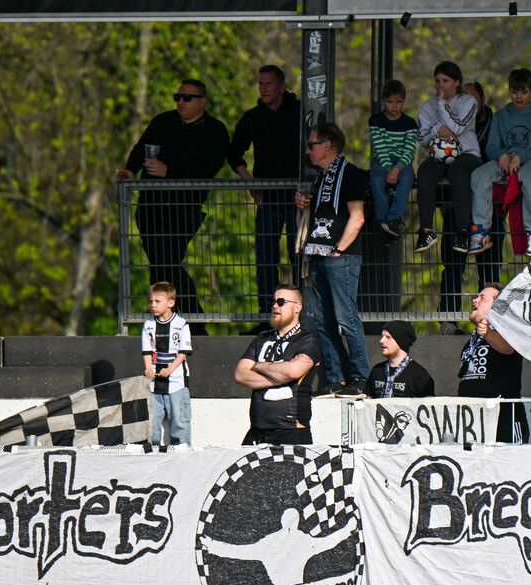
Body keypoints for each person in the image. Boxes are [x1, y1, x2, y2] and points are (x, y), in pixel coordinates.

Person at [118, 79, 229, 330]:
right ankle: (172, 320)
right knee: (159, 264)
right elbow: (140, 149)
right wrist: (130, 169)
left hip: (184, 208)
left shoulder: (215, 130)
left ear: (202, 101)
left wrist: (169, 171)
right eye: (177, 96)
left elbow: (209, 167)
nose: (180, 102)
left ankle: (189, 321)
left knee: (166, 261)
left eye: (187, 98)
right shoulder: (163, 122)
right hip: (151, 205)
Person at [295, 122, 370, 397]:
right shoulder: (320, 177)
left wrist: (339, 249)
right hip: (318, 255)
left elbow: (357, 217)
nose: (309, 151)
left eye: (313, 144)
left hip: (341, 257)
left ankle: (361, 377)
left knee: (346, 318)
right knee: (323, 321)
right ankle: (336, 378)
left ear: (328, 145)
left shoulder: (350, 174)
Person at [228, 65, 303, 322]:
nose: (263, 88)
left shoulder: (299, 111)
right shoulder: (253, 117)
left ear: (281, 87)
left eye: (268, 84)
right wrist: (250, 181)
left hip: (297, 200)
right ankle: (267, 317)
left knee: (299, 260)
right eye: (260, 84)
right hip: (268, 199)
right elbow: (233, 152)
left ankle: (299, 317)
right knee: (265, 261)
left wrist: (308, 186)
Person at [469, 67, 531, 260]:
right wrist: (502, 155)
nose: (519, 96)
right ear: (509, 91)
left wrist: (520, 156)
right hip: (504, 161)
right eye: (515, 91)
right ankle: (480, 230)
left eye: (524, 92)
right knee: (479, 175)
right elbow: (491, 147)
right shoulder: (500, 116)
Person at [437, 81, 499, 331]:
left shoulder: (494, 125)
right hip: (457, 209)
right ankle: (448, 319)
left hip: (491, 210)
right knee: (452, 265)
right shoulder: (451, 123)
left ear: (482, 101)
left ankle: (491, 318)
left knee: (490, 266)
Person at [234, 283, 321, 445]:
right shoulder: (261, 339)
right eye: (273, 302)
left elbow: (291, 372)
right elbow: (240, 374)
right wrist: (278, 378)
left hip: (291, 431)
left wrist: (258, 365)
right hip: (257, 431)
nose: (275, 306)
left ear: (297, 308)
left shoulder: (308, 340)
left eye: (281, 302)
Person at [415, 61, 482, 254]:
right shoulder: (428, 105)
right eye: (437, 81)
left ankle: (463, 231)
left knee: (458, 173)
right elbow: (422, 135)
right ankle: (426, 229)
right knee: (425, 172)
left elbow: (458, 127)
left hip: (467, 154)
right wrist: (438, 128)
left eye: (445, 80)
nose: (440, 85)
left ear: (456, 82)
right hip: (438, 156)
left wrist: (443, 104)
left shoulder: (468, 102)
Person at [458, 283, 529, 444]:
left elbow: (507, 348)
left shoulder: (508, 331)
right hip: (475, 424)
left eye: (482, 298)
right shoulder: (472, 342)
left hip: (504, 423)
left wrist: (488, 332)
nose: (474, 301)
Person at [141, 281, 192, 446]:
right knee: (151, 424)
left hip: (176, 381)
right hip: (154, 384)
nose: (153, 305)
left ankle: (183, 453)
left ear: (171, 303)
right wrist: (148, 368)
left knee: (179, 422)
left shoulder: (181, 324)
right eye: (151, 302)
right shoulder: (148, 325)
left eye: (157, 301)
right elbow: (147, 351)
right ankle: (152, 454)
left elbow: (183, 353)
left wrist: (170, 370)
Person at [368, 79, 418, 239]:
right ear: (384, 102)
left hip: (402, 160)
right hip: (382, 158)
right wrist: (390, 168)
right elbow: (379, 147)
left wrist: (397, 169)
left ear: (404, 102)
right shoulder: (375, 121)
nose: (394, 106)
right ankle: (382, 217)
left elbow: (410, 149)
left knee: (407, 177)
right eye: (390, 102)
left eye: (399, 102)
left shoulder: (410, 123)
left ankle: (395, 217)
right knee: (375, 177)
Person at [368, 320, 435, 399]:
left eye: (388, 337)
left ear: (401, 341)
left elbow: (428, 407)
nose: (381, 341)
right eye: (382, 336)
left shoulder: (420, 375)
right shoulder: (377, 370)